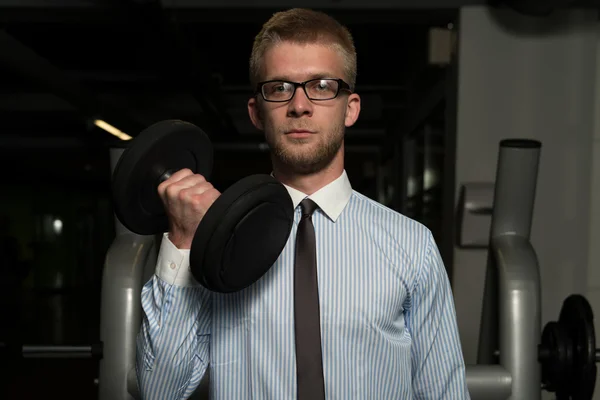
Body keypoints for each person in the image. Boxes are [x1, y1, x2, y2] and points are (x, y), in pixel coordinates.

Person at [136, 8, 470, 399]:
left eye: (323, 86)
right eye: (279, 88)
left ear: (351, 108)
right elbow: (159, 392)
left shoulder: (413, 246)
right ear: (255, 112)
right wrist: (183, 240)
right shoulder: (215, 242)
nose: (299, 105)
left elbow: (444, 393)